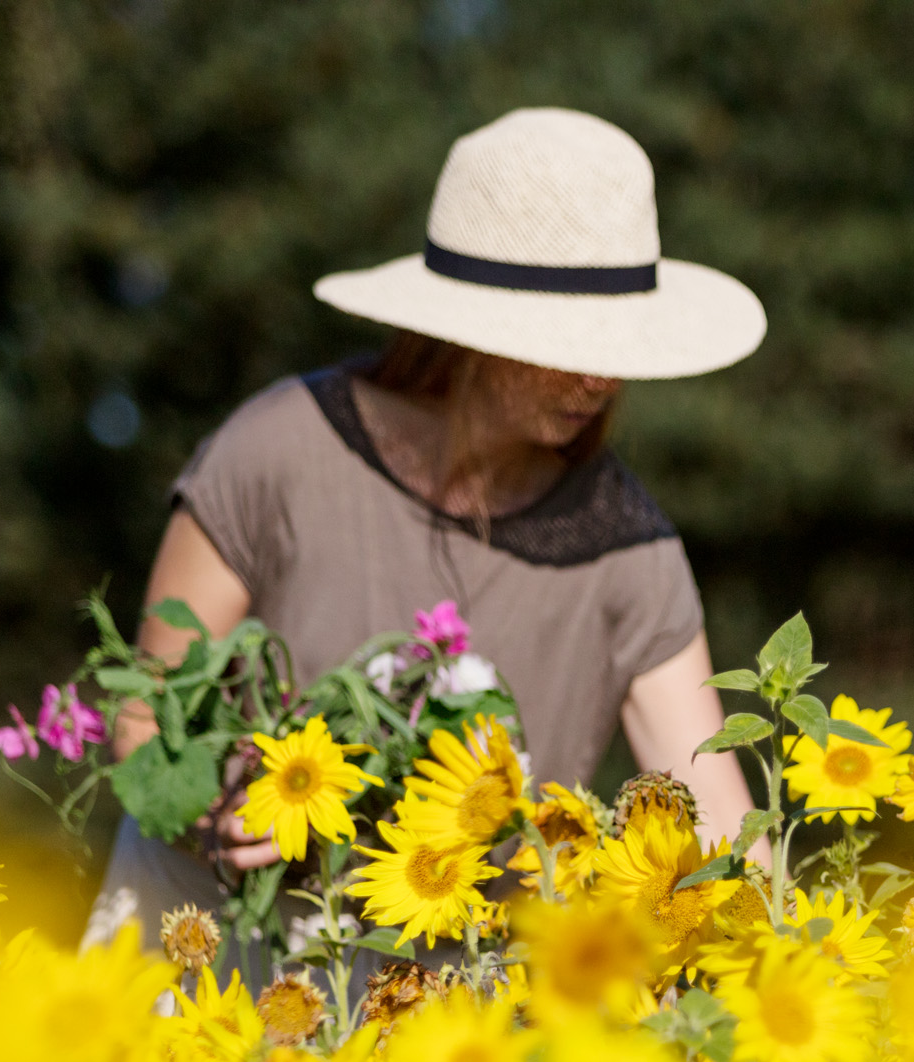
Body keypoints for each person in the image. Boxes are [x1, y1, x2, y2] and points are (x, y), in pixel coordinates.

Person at [85, 107, 768, 953]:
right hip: (198, 960)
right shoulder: (282, 450)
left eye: (617, 340)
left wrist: (808, 965)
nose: (600, 373)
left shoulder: (631, 553)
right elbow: (147, 712)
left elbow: (728, 837)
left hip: (444, 1033)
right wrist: (223, 810)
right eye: (567, 339)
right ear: (471, 326)